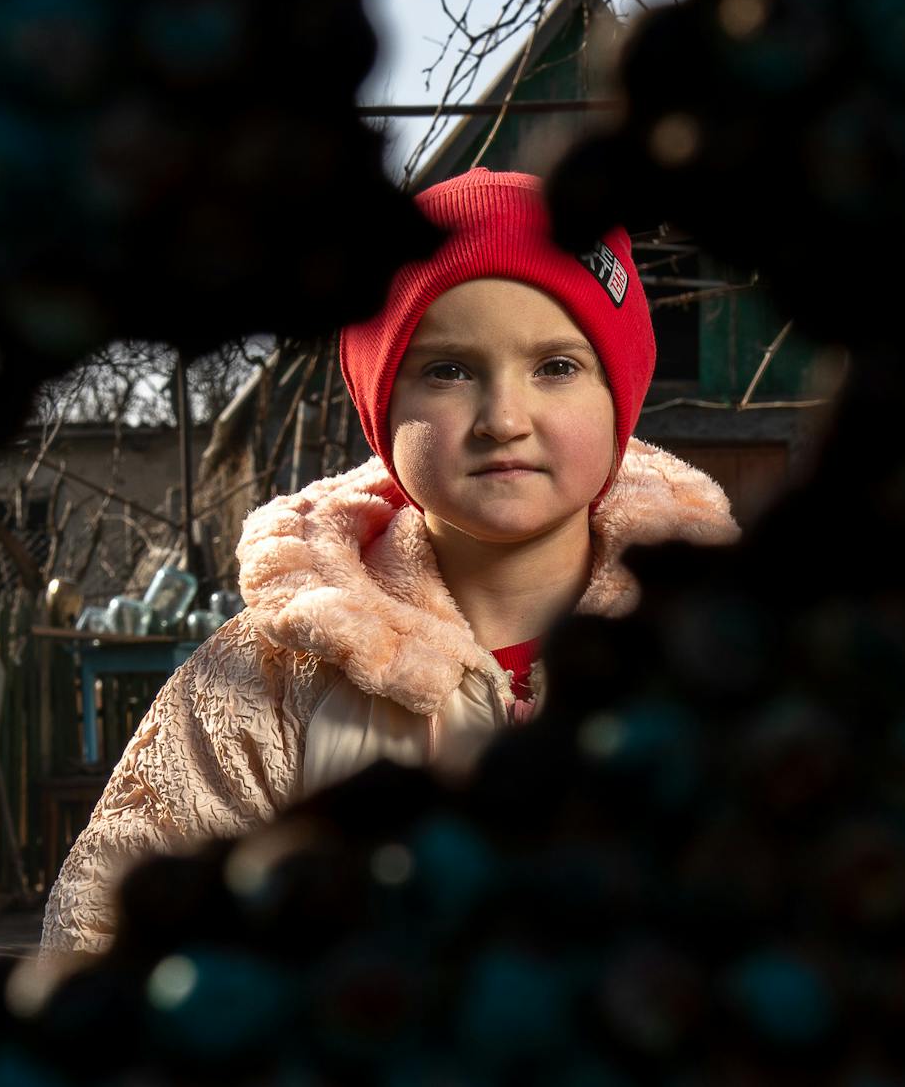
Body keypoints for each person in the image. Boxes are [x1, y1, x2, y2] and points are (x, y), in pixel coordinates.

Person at [37, 169, 739, 957]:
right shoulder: (268, 674)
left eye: (556, 367)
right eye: (447, 370)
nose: (505, 418)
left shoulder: (716, 658)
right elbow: (106, 930)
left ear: (620, 394)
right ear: (382, 405)